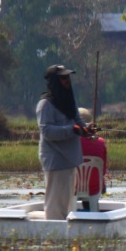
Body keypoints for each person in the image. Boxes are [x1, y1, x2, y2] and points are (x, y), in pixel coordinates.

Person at [37, 64, 90, 220]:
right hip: (55, 160)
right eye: (63, 78)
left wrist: (86, 129)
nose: (67, 81)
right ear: (54, 81)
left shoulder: (69, 100)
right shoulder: (45, 104)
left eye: (67, 77)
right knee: (56, 205)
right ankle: (53, 235)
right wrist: (71, 130)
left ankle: (63, 234)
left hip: (70, 160)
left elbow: (78, 121)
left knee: (67, 203)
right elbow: (46, 131)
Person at [76, 107, 108, 206]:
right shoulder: (101, 142)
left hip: (73, 188)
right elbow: (103, 170)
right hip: (96, 188)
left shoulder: (71, 143)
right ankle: (91, 209)